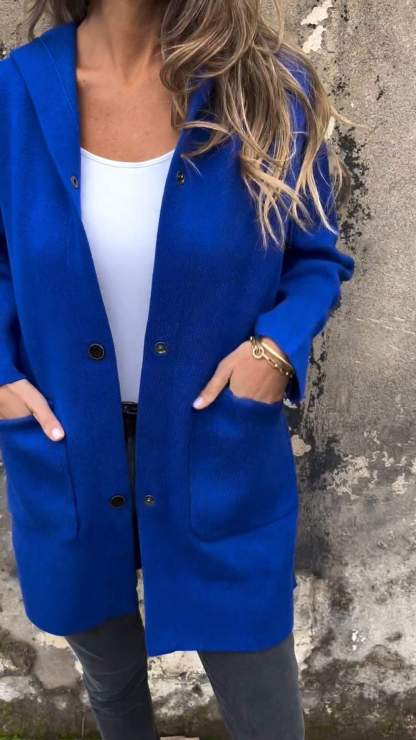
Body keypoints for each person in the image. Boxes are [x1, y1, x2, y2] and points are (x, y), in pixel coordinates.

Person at [0, 0, 355, 738]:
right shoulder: (16, 93)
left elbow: (317, 257)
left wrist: (275, 349)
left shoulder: (266, 86)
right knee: (111, 683)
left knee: (263, 702)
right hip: (67, 452)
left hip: (219, 445)